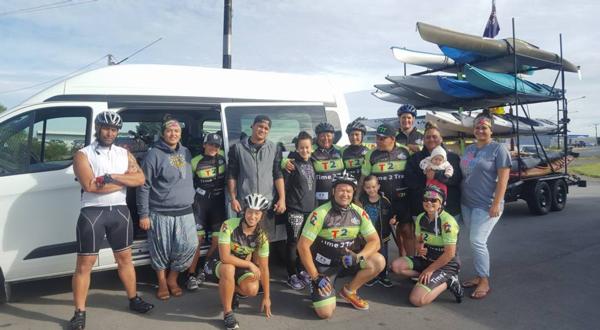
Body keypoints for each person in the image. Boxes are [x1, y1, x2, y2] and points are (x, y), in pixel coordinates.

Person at [70, 111, 153, 330]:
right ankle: (79, 313)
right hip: (92, 213)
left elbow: (140, 178)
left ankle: (133, 299)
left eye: (114, 129)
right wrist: (125, 181)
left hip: (119, 212)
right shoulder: (83, 154)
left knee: (125, 259)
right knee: (84, 265)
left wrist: (112, 178)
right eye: (106, 128)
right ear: (97, 128)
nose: (110, 132)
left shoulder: (124, 154)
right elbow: (90, 186)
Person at [297, 172, 385, 319]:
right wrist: (316, 276)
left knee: (378, 261)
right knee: (325, 313)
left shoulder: (359, 213)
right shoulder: (320, 213)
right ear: (333, 191)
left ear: (353, 193)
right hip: (324, 267)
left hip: (347, 261)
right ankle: (316, 285)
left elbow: (375, 241)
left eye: (349, 191)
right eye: (341, 190)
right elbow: (302, 246)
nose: (345, 194)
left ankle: (349, 291)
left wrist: (358, 257)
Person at [137, 115, 197, 300]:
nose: (173, 134)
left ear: (180, 134)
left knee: (190, 245)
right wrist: (143, 214)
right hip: (160, 211)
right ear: (163, 133)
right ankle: (163, 282)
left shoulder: (186, 152)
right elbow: (143, 185)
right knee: (160, 249)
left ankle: (173, 278)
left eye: (176, 131)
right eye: (169, 130)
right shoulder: (153, 154)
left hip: (185, 210)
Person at [459, 112, 511, 300]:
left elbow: (503, 180)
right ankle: (479, 275)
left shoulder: (498, 149)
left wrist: (497, 203)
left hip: (487, 204)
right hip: (467, 203)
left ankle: (484, 280)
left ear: (491, 130)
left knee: (478, 241)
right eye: (477, 127)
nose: (480, 130)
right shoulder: (470, 149)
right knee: (474, 242)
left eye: (484, 127)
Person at [390, 185, 464, 306]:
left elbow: (450, 254)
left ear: (442, 203)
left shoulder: (447, 222)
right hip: (427, 259)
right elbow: (419, 240)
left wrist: (430, 270)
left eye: (434, 200)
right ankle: (430, 277)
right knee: (396, 266)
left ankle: (449, 281)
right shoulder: (420, 218)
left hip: (446, 264)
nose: (429, 202)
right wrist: (419, 247)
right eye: (425, 199)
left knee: (417, 300)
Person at [207, 193, 272, 330]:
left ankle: (229, 290)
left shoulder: (262, 237)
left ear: (262, 215)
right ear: (244, 211)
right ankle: (228, 313)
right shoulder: (228, 225)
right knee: (228, 268)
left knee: (253, 289)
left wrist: (267, 297)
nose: (252, 216)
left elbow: (265, 268)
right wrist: (250, 264)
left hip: (238, 265)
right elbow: (225, 257)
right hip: (217, 262)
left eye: (257, 213)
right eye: (249, 212)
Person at [227, 115, 286, 238]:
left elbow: (277, 174)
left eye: (266, 128)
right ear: (252, 126)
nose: (262, 130)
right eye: (260, 126)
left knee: (265, 242)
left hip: (266, 204)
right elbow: (232, 174)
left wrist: (282, 199)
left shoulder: (275, 148)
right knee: (244, 242)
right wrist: (233, 198)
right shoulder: (237, 148)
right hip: (246, 204)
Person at [360, 123, 413, 256]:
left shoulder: (405, 151)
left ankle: (411, 261)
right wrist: (356, 198)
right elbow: (364, 177)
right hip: (381, 201)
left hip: (403, 199)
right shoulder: (371, 154)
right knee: (383, 232)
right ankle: (382, 265)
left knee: (406, 230)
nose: (378, 141)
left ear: (393, 139)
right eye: (377, 137)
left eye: (382, 138)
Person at [185, 133, 227, 290]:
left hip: (218, 204)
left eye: (216, 146)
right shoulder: (195, 161)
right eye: (210, 144)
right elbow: (186, 182)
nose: (213, 148)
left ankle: (203, 270)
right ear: (204, 145)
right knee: (197, 241)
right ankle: (190, 274)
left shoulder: (223, 156)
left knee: (217, 242)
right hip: (200, 203)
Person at [405, 122, 462, 221]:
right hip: (422, 210)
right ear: (424, 140)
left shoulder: (452, 157)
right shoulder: (415, 158)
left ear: (441, 139)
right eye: (428, 137)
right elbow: (409, 180)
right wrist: (426, 179)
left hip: (449, 210)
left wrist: (436, 175)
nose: (431, 139)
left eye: (434, 137)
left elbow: (456, 179)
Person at [283, 131, 316, 290]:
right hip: (295, 210)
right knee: (293, 243)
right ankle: (291, 274)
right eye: (301, 148)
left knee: (305, 243)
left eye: (307, 147)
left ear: (311, 148)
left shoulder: (312, 162)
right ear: (296, 149)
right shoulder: (291, 164)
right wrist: (284, 162)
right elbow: (284, 186)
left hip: (310, 211)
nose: (305, 150)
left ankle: (302, 270)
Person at [286, 122, 344, 206]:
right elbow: (293, 155)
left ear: (333, 136)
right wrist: (284, 162)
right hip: (318, 198)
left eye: (329, 135)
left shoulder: (340, 150)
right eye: (322, 136)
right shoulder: (311, 148)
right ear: (317, 137)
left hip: (337, 197)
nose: (326, 138)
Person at [359, 175, 394, 288]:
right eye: (368, 187)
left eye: (374, 187)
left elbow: (392, 214)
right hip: (367, 236)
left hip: (382, 235)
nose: (371, 190)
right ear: (364, 188)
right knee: (369, 254)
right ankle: (370, 275)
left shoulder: (385, 201)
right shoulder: (362, 201)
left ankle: (383, 275)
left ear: (378, 186)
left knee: (383, 255)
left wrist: (393, 220)